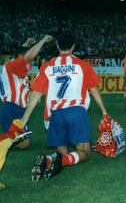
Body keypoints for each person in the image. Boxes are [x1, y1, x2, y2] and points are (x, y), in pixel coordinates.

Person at [16, 32, 109, 181]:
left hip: (56, 115)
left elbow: (37, 93)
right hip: (76, 112)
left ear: (57, 46)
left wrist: (25, 117)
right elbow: (93, 89)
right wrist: (104, 111)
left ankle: (51, 160)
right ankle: (59, 161)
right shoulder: (82, 65)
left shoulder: (47, 66)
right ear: (73, 46)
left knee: (62, 153)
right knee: (85, 153)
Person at [0, 35, 53, 149]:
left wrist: (27, 44)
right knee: (23, 143)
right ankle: (4, 140)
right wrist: (43, 40)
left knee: (25, 142)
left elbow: (21, 53)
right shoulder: (12, 66)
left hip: (18, 109)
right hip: (11, 108)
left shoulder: (13, 67)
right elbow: (27, 57)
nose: (30, 62)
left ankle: (7, 139)